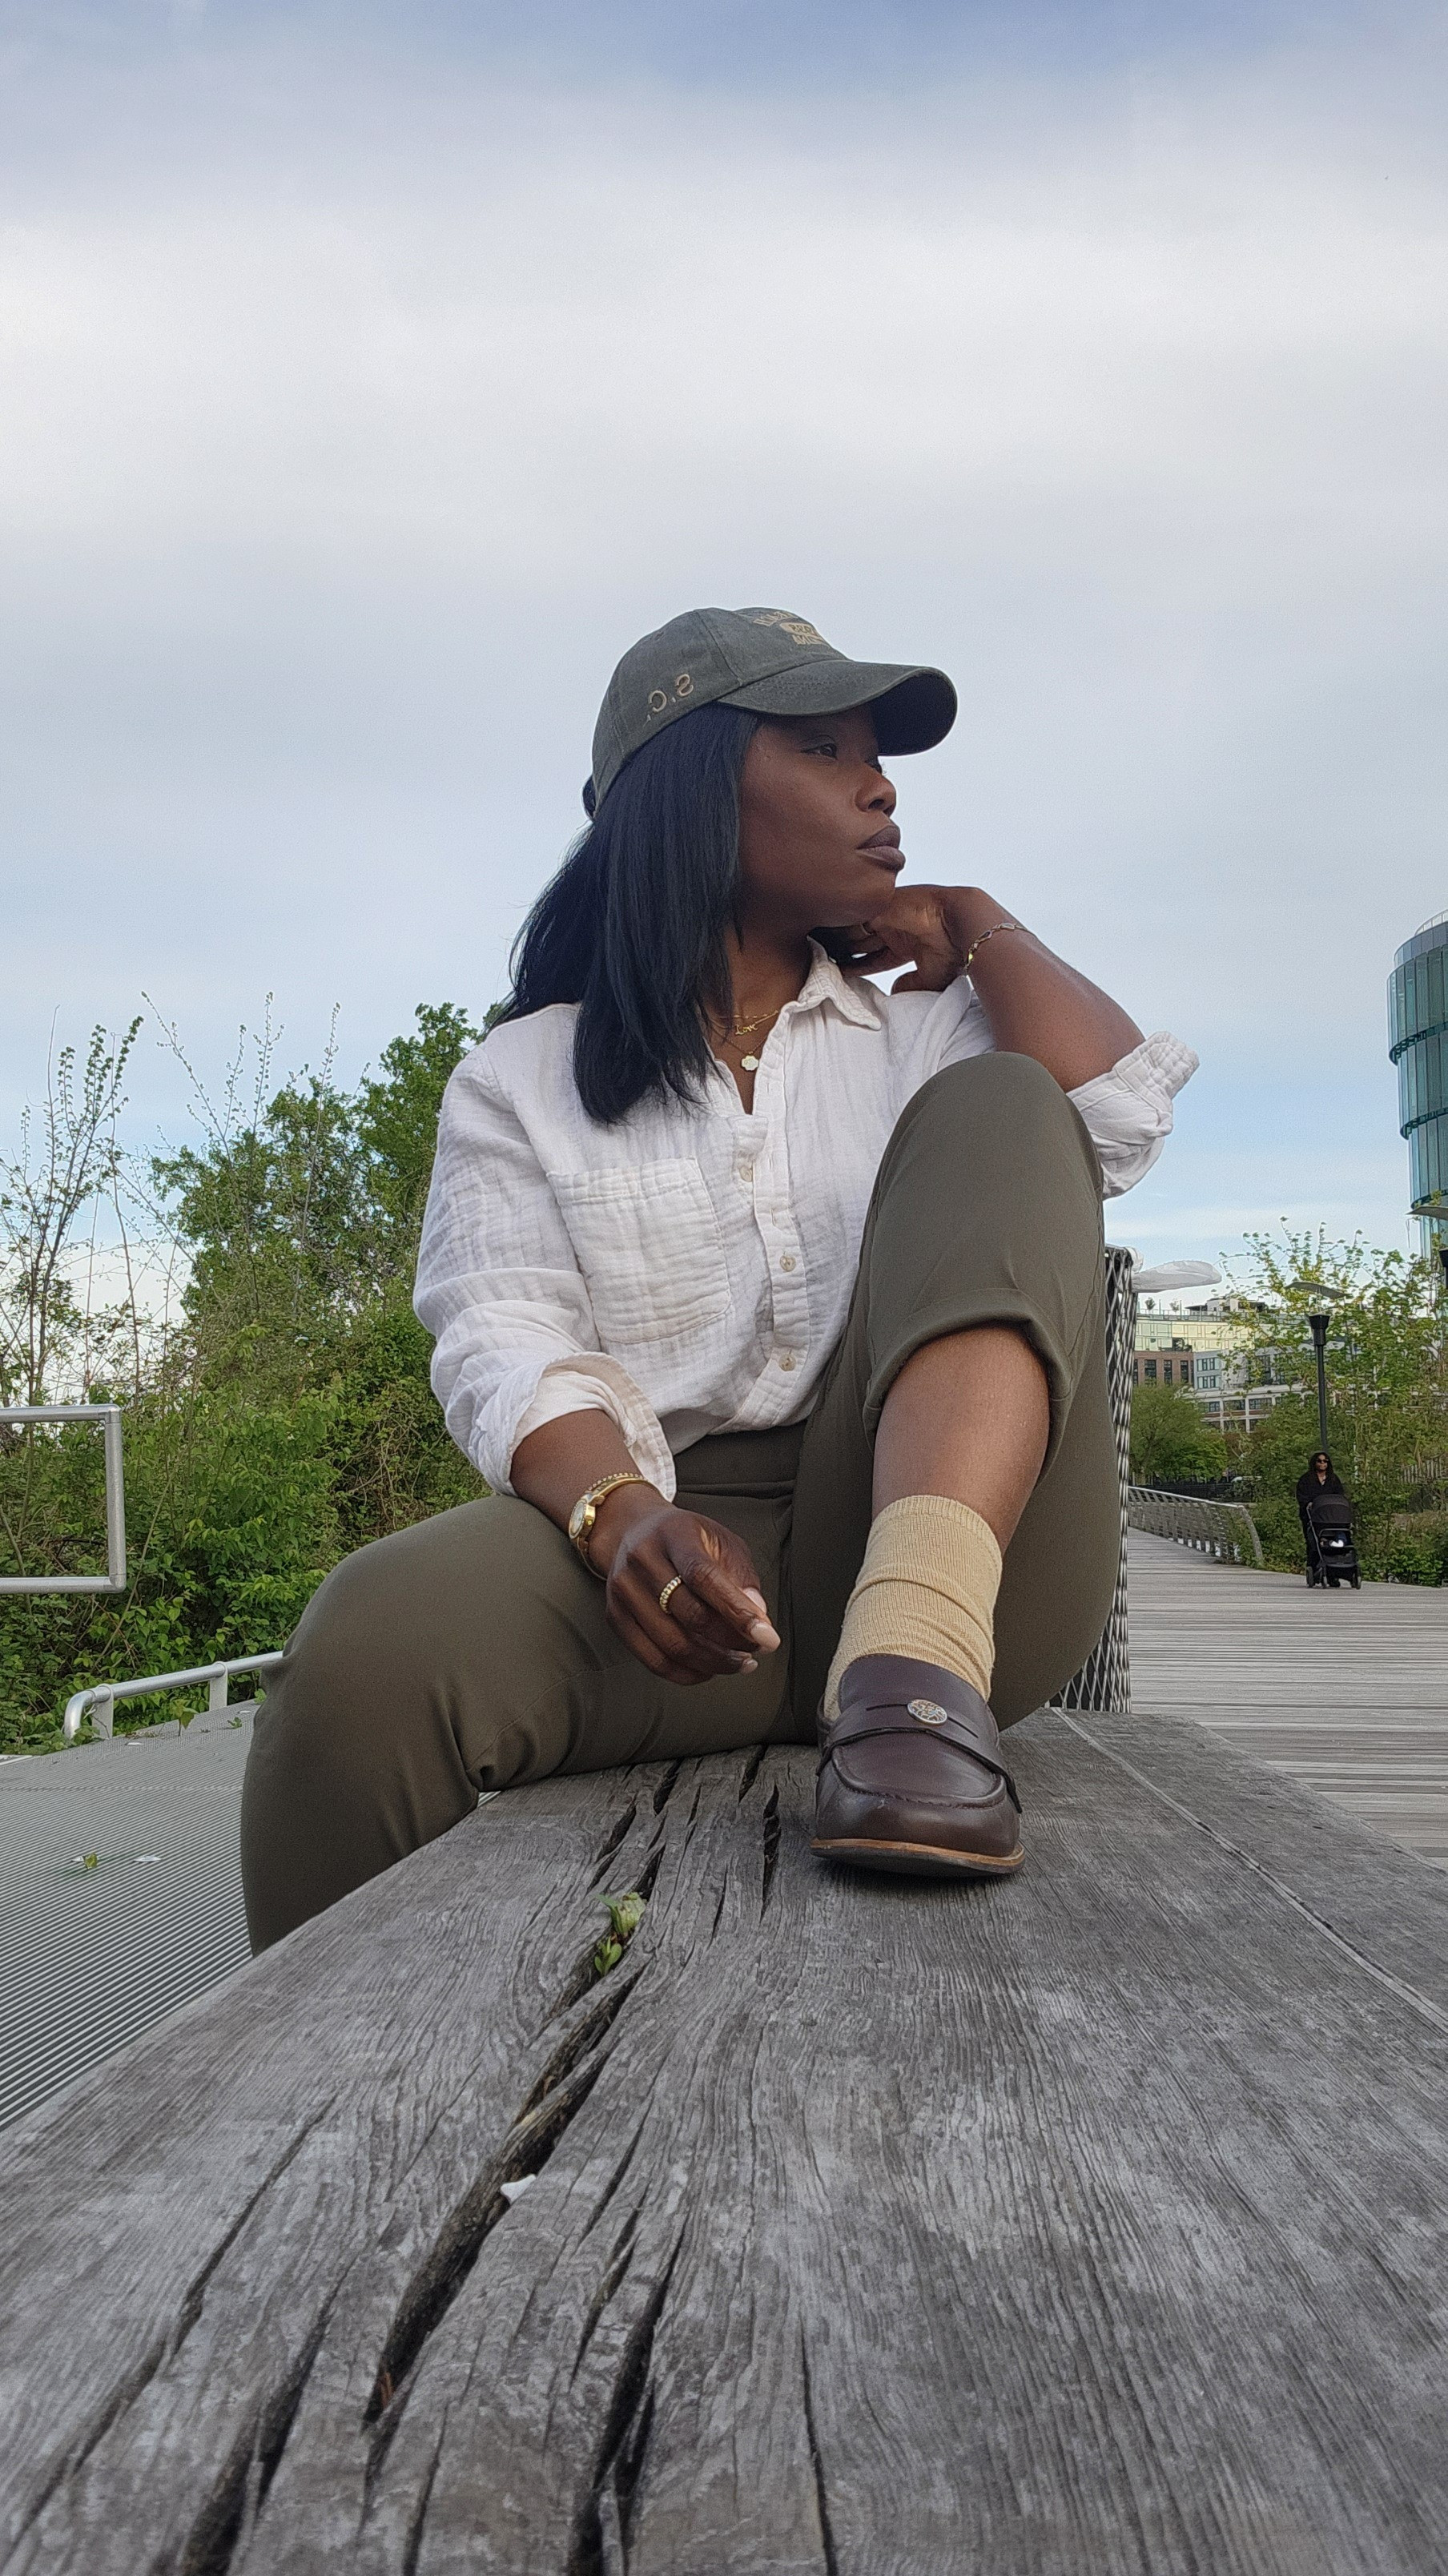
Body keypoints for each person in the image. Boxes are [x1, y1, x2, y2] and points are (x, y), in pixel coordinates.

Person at [240, 605, 1197, 1950]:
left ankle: (911, 1664)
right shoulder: (521, 1079)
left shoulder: (927, 1027)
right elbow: (498, 1335)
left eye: (879, 757)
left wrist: (978, 925)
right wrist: (619, 1519)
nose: (880, 786)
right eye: (823, 750)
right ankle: (314, 2104)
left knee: (1003, 1104)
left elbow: (1109, 1119)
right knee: (365, 1651)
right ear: (689, 794)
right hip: (688, 1566)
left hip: (959, 1546)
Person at [1297, 1451, 1347, 1575]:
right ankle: (1314, 1569)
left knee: (1338, 1539)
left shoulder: (1334, 1480)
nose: (1322, 1463)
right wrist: (1308, 1504)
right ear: (1315, 1463)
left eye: (1325, 1461)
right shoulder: (1306, 1479)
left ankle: (1336, 1571)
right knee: (1313, 1544)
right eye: (1319, 1461)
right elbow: (1301, 1496)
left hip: (1332, 1517)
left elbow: (1340, 1496)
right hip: (1313, 1518)